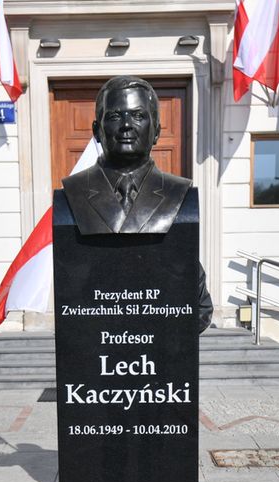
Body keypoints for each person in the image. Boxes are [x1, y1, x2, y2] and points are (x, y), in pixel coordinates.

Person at [61, 75, 213, 329]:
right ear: (97, 131)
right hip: (99, 348)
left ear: (157, 132)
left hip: (157, 353)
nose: (126, 126)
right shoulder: (72, 194)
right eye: (114, 116)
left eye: (138, 116)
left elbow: (198, 309)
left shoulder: (179, 194)